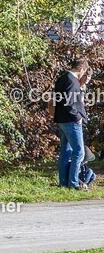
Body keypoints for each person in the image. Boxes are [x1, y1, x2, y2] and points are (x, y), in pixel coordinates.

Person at [53, 57, 91, 189]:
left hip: (62, 120)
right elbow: (69, 102)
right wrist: (77, 117)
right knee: (79, 152)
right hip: (71, 121)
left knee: (65, 152)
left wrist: (81, 86)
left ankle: (63, 183)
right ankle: (73, 183)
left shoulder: (62, 78)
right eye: (83, 71)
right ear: (81, 69)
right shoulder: (71, 81)